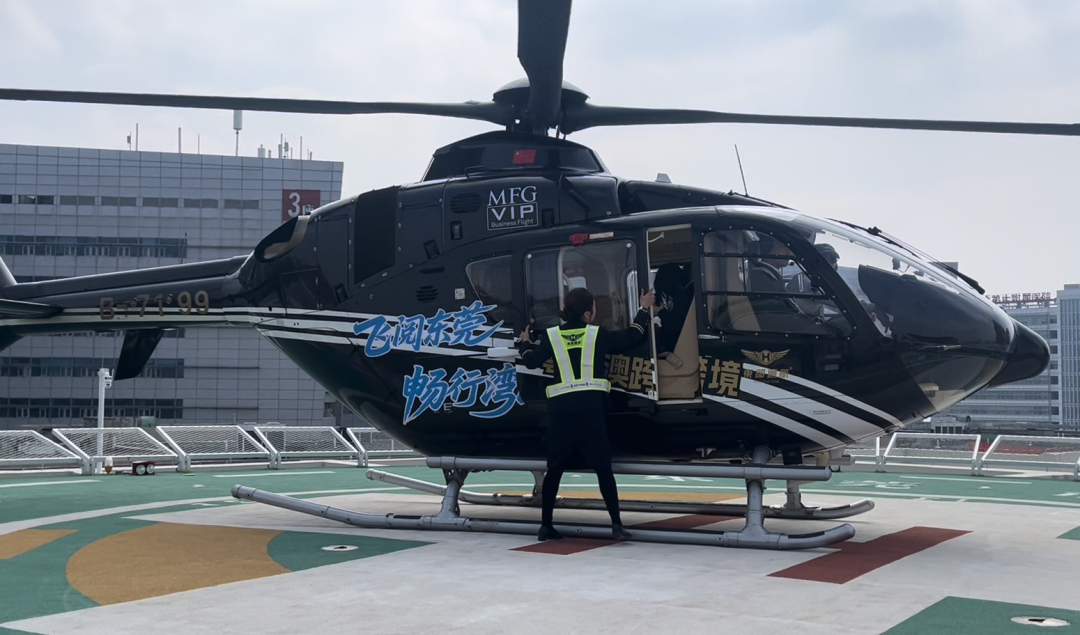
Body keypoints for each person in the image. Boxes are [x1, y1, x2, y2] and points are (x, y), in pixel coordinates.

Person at [518, 286, 654, 542]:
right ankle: (616, 525)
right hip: (591, 410)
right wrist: (644, 308)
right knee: (603, 468)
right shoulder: (597, 335)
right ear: (588, 314)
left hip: (561, 412)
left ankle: (546, 526)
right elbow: (633, 335)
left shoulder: (552, 336)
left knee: (555, 469)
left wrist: (524, 343)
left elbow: (531, 361)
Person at [652, 263, 694, 356]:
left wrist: (660, 312)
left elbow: (676, 324)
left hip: (680, 343)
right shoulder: (669, 295)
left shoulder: (684, 295)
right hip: (670, 343)